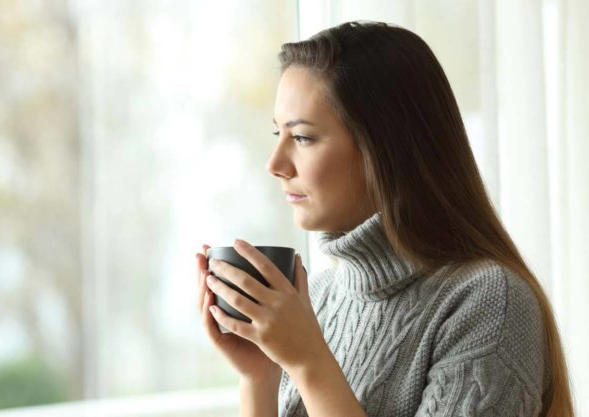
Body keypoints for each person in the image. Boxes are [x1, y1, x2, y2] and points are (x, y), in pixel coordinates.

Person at [195, 21, 575, 417]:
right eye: (279, 134)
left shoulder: (489, 302)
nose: (275, 164)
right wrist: (260, 378)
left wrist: (309, 363)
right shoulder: (318, 299)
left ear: (385, 146)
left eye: (303, 137)